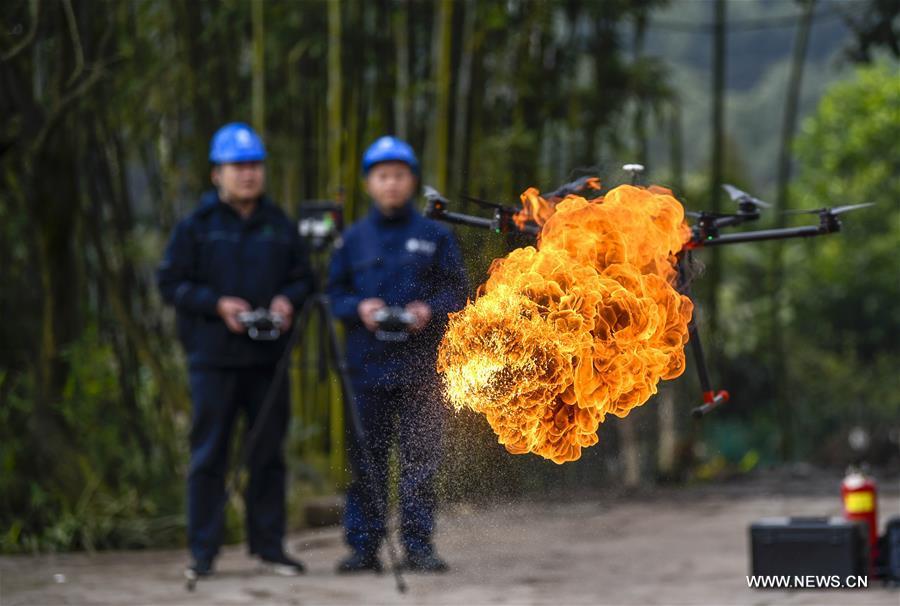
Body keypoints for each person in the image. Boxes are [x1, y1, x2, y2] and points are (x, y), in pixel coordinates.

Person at [157, 122, 314, 578]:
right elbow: (170, 282)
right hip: (213, 361)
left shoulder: (278, 224)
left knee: (268, 454)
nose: (248, 175)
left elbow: (305, 278)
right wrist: (215, 304)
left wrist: (288, 299)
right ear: (216, 174)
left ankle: (269, 548)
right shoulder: (196, 227)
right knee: (209, 455)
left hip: (269, 360)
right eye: (238, 166)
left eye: (255, 166)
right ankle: (203, 553)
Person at [327, 136, 468, 573]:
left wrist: (430, 310)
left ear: (412, 181)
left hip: (421, 370)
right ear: (370, 183)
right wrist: (360, 309)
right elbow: (333, 294)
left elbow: (459, 292)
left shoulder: (435, 236)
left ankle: (419, 546)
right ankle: (364, 546)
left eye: (399, 176)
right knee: (365, 460)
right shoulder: (353, 239)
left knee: (421, 462)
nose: (391, 184)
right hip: (366, 369)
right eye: (382, 176)